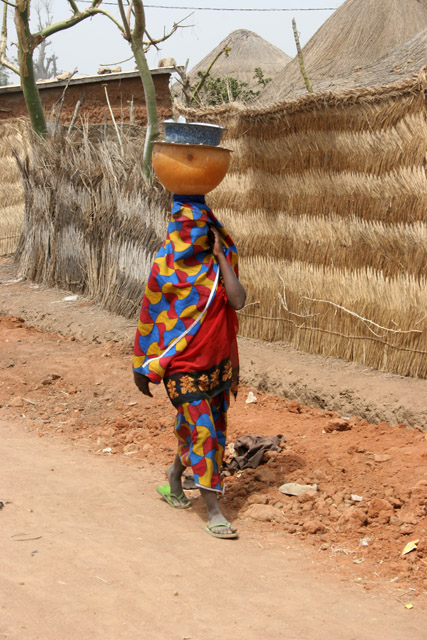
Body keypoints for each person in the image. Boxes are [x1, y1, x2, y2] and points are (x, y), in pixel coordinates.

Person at [133, 193, 246, 539]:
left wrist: (220, 257)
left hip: (217, 366)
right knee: (204, 434)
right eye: (182, 228)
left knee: (206, 433)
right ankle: (214, 511)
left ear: (209, 232)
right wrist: (142, 366)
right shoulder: (163, 266)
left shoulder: (218, 268)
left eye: (196, 229)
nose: (188, 235)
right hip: (180, 369)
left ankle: (174, 477)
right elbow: (151, 317)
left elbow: (238, 301)